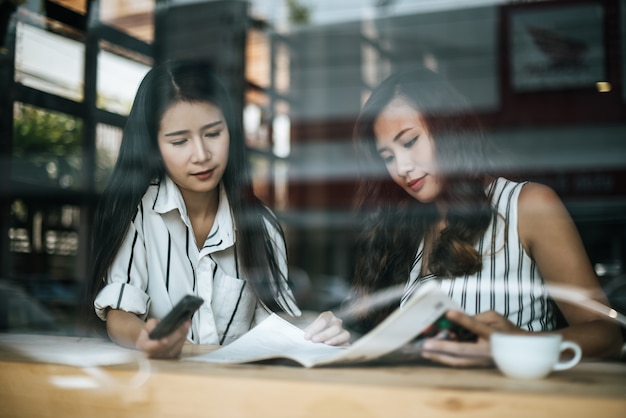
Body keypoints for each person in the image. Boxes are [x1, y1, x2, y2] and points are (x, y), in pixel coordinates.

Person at [348, 66, 623, 366]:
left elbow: (607, 335)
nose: (401, 167)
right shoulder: (406, 229)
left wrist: (515, 345)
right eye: (387, 156)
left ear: (448, 129)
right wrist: (346, 336)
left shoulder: (527, 206)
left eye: (410, 142)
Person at [82, 59, 349, 358]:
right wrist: (144, 337)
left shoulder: (260, 224)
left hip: (234, 394)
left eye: (212, 134)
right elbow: (120, 310)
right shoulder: (139, 214)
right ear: (155, 148)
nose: (201, 155)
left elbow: (275, 322)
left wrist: (319, 328)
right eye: (180, 141)